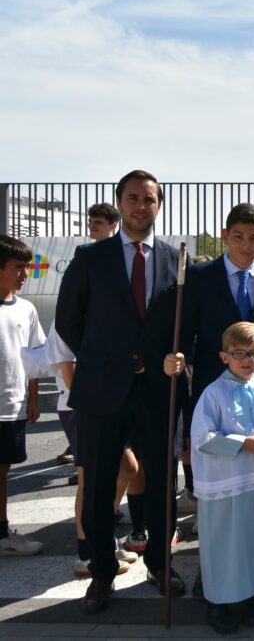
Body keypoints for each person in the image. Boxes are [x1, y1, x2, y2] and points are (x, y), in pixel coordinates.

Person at [55, 170, 190, 612]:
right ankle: (101, 573)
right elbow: (68, 320)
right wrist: (103, 361)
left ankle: (159, 562)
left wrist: (177, 356)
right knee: (97, 487)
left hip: (157, 390)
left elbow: (186, 324)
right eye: (132, 198)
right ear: (120, 202)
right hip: (102, 390)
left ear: (159, 205)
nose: (139, 206)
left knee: (162, 482)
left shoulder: (177, 260)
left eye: (148, 199)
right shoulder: (90, 258)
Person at [168, 203, 254, 527]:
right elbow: (186, 327)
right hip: (213, 381)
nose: (246, 245)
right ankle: (207, 523)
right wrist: (178, 355)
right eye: (238, 237)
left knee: (253, 455)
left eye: (253, 238)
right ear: (225, 237)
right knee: (217, 452)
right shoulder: (199, 276)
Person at [46, 208, 142, 574]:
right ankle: (86, 551)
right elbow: (65, 360)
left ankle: (100, 536)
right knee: (89, 478)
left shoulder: (105, 311)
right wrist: (87, 399)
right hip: (82, 403)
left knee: (125, 467)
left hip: (102, 399)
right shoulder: (73, 312)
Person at [184, 322, 254, 634]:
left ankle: (249, 596)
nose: (246, 359)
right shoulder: (213, 392)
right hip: (226, 483)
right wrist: (243, 443)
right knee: (225, 544)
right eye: (239, 353)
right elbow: (203, 437)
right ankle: (217, 600)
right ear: (224, 356)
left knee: (252, 540)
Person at [0, 235, 45, 557]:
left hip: (10, 407)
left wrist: (32, 399)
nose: (24, 274)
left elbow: (33, 358)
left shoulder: (26, 309)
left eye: (27, 267)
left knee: (3, 470)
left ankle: (2, 533)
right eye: (18, 267)